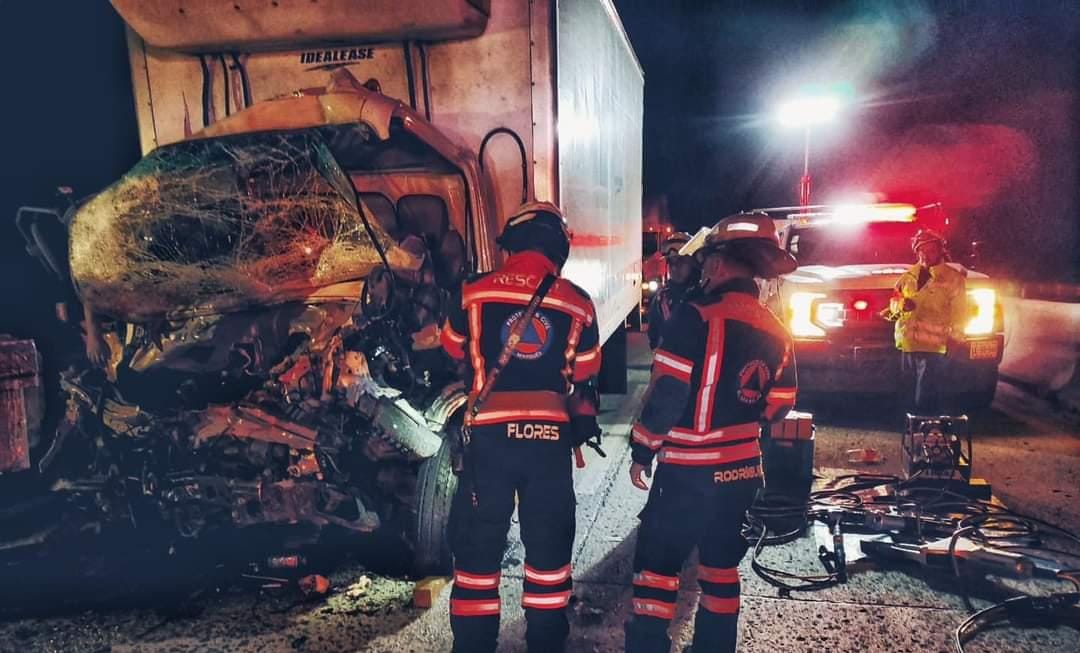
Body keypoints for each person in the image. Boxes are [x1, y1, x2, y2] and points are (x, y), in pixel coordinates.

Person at [625, 213, 798, 653]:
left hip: (687, 474)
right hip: (742, 475)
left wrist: (642, 449)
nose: (701, 271)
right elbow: (781, 403)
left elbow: (667, 395)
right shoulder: (777, 330)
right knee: (721, 570)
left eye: (705, 263)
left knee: (656, 569)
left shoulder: (694, 316)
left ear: (720, 264)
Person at [439, 200, 603, 653]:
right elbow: (587, 372)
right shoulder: (577, 303)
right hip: (549, 444)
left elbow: (451, 349)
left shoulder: (472, 292)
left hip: (488, 442)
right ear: (558, 250)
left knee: (476, 555)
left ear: (511, 244)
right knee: (549, 559)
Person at [883, 228, 967, 415]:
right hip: (907, 345)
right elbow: (893, 303)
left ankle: (928, 432)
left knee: (927, 396)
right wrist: (901, 305)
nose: (925, 255)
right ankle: (912, 431)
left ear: (940, 251)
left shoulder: (953, 279)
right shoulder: (907, 277)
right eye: (921, 250)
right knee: (908, 394)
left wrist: (956, 340)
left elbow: (961, 313)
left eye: (930, 250)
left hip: (934, 348)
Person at [647, 236, 699, 349]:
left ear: (693, 264)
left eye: (681, 262)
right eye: (671, 262)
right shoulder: (661, 298)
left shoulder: (703, 296)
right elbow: (653, 335)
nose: (675, 268)